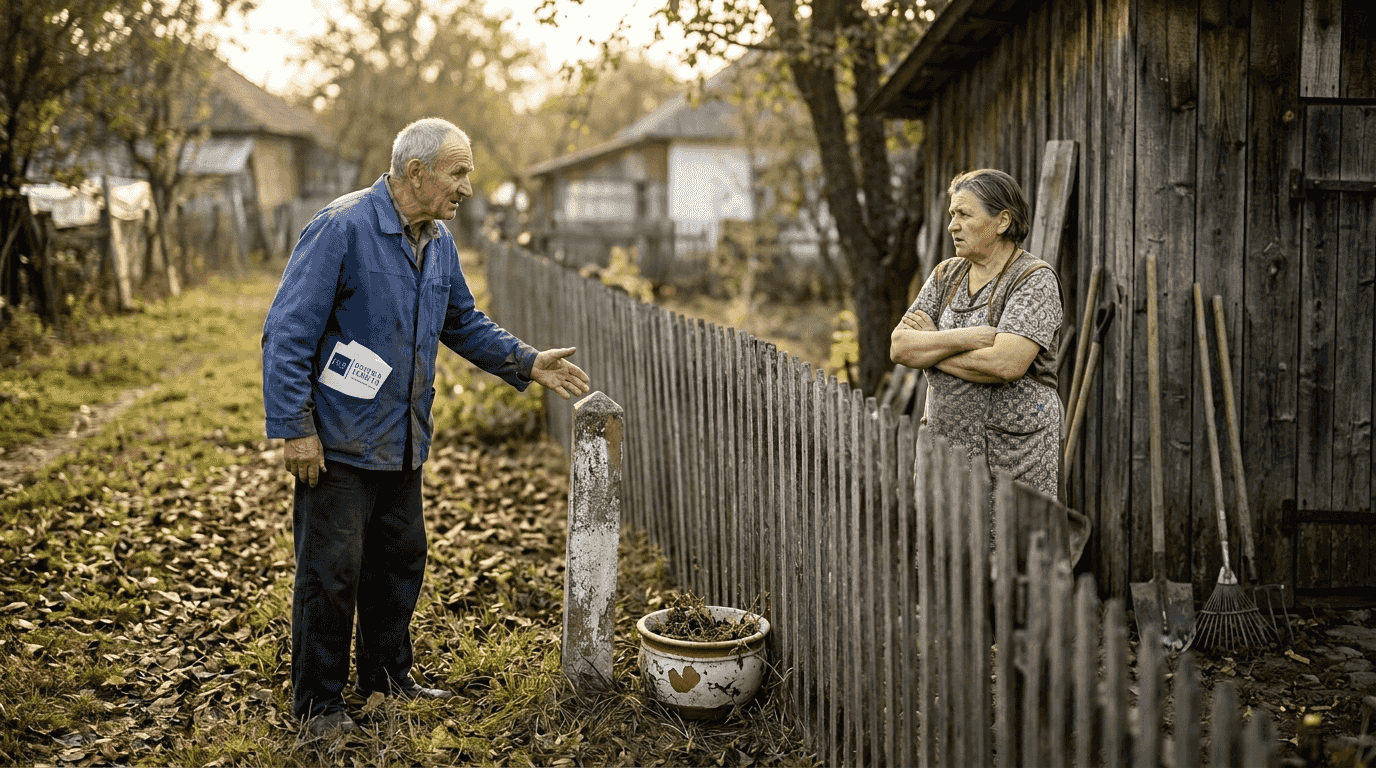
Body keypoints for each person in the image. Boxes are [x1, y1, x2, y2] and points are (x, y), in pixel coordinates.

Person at [261, 117, 591, 736]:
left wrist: (526, 361)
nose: (468, 185)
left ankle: (386, 681)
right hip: (337, 442)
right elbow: (286, 332)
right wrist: (294, 427)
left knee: (399, 561)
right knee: (331, 573)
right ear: (417, 173)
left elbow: (461, 322)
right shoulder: (343, 228)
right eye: (458, 172)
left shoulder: (436, 241)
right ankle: (319, 707)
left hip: (402, 438)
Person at [890, 168, 1063, 500]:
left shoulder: (1033, 279)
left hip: (1014, 457)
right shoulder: (946, 274)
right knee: (942, 548)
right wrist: (966, 338)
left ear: (1002, 221)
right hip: (945, 453)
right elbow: (900, 348)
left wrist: (932, 349)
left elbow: (1006, 363)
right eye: (952, 214)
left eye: (964, 214)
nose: (953, 225)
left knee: (1009, 550)